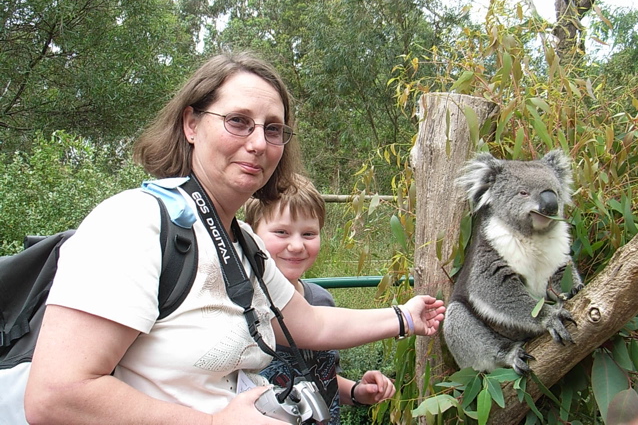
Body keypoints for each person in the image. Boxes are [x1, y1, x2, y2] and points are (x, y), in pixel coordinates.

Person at [24, 51, 445, 425]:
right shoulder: (137, 223)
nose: (259, 143)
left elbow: (309, 322)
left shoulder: (243, 242)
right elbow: (57, 396)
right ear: (191, 124)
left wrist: (404, 318)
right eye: (238, 122)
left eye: (274, 129)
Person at [245, 174, 396, 424]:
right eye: (281, 232)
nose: (296, 245)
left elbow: (323, 378)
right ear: (250, 234)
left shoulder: (320, 300)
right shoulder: (243, 304)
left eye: (308, 234)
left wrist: (358, 392)